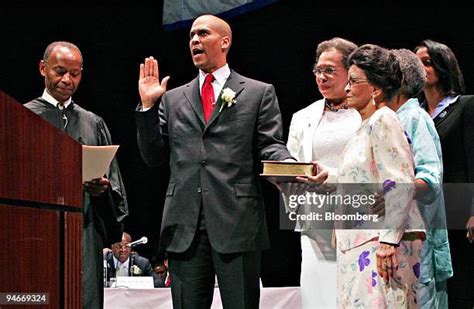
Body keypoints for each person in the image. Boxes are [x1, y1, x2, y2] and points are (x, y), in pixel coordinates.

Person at [135, 15, 293, 308]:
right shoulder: (172, 99)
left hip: (238, 222)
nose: (194, 40)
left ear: (224, 42)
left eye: (203, 33)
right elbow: (152, 157)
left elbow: (270, 146)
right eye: (191, 35)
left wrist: (291, 169)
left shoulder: (258, 93)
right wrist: (147, 106)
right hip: (184, 227)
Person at [303, 44, 425, 307]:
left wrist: (388, 242)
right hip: (360, 241)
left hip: (379, 242)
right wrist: (329, 177)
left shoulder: (384, 121)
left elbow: (400, 182)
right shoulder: (365, 127)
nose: (346, 88)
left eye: (354, 81)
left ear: (375, 89)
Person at [24, 41, 128, 309]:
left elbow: (114, 187)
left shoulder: (93, 123)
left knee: (84, 298)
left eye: (75, 73)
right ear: (42, 68)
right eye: (59, 71)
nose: (67, 80)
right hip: (32, 230)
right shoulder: (22, 118)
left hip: (83, 231)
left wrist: (101, 188)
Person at [285, 37, 360, 308]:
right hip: (316, 218)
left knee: (355, 293)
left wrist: (334, 176)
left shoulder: (367, 112)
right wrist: (285, 181)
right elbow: (292, 163)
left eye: (330, 70)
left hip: (359, 217)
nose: (322, 77)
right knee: (318, 295)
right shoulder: (303, 116)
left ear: (350, 72)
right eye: (318, 70)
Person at [388, 49, 453, 308]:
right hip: (397, 241)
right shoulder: (390, 118)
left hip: (419, 243)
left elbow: (430, 180)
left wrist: (388, 191)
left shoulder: (415, 118)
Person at [414, 39, 474, 307]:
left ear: (443, 65)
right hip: (425, 208)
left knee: (460, 281)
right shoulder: (412, 112)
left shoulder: (465, 106)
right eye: (416, 62)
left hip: (458, 205)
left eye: (426, 62)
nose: (420, 67)